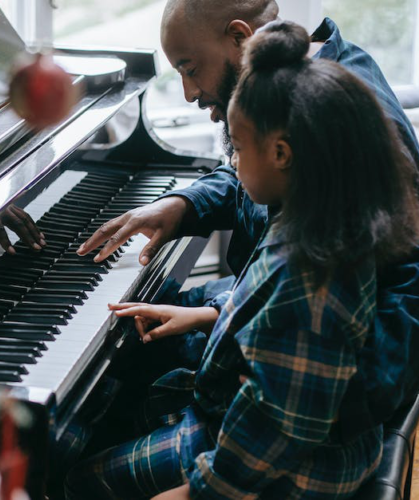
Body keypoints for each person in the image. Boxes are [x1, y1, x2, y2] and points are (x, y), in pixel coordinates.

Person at [65, 20, 419, 499]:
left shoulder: (311, 279)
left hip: (289, 462)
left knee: (79, 482)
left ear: (281, 152)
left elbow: (274, 425)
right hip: (259, 411)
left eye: (237, 148)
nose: (229, 164)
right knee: (137, 374)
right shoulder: (322, 204)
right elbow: (271, 306)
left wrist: (198, 491)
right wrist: (212, 313)